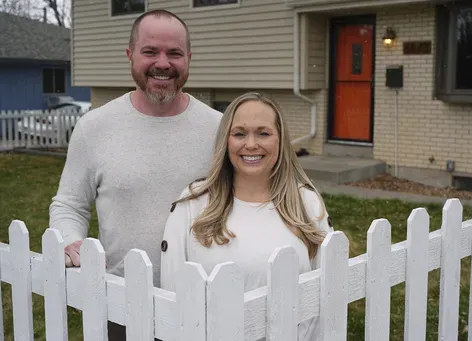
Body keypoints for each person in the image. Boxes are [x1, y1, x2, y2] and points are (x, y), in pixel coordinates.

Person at [48, 9, 222, 340]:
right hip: (121, 302)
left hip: (202, 302)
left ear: (189, 58)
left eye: (174, 53)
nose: (163, 63)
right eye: (150, 51)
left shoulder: (218, 128)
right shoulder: (94, 128)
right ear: (130, 55)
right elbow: (70, 204)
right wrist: (70, 239)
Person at [160, 92, 334, 341]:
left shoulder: (307, 202)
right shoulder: (194, 202)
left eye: (263, 133)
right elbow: (172, 295)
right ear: (226, 140)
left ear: (280, 140)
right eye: (239, 133)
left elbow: (324, 298)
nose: (251, 144)